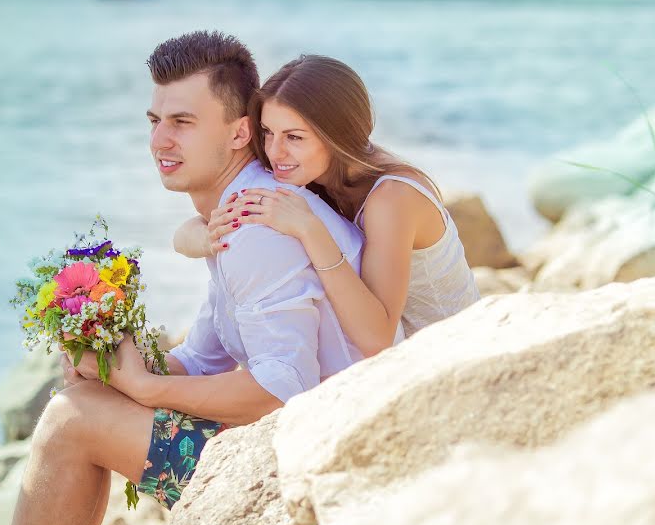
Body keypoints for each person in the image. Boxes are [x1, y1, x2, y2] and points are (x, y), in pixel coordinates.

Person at [2, 32, 364, 525]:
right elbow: (201, 358)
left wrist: (147, 390)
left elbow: (286, 387)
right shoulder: (235, 212)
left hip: (327, 469)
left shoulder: (258, 226)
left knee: (70, 421)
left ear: (241, 132)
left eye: (182, 123)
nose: (160, 141)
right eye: (155, 121)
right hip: (308, 441)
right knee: (83, 398)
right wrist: (108, 366)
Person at [174, 55, 480, 357]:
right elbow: (195, 226)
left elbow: (377, 339)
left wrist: (310, 230)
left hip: (452, 360)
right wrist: (207, 237)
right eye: (268, 132)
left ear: (337, 136)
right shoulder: (307, 172)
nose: (274, 152)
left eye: (294, 137)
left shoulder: (391, 198)